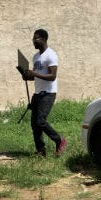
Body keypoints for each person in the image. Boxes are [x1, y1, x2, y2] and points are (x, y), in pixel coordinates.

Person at [24, 28, 67, 157]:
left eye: (35, 38)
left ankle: (59, 140)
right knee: (34, 124)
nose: (33, 41)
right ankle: (40, 150)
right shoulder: (36, 56)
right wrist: (27, 76)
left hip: (48, 93)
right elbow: (36, 76)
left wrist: (34, 73)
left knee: (40, 121)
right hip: (37, 93)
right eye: (33, 38)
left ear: (43, 39)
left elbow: (52, 76)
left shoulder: (51, 55)